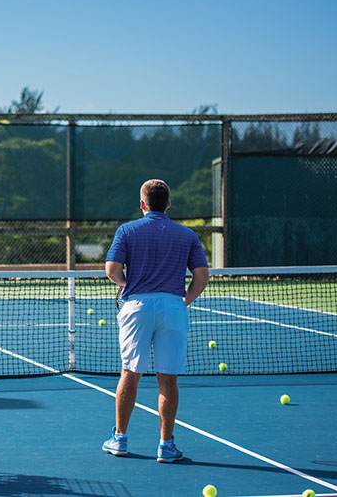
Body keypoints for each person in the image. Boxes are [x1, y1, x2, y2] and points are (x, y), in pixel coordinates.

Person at [102, 179, 209, 463]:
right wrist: (184, 300)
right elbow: (202, 277)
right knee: (168, 378)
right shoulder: (187, 235)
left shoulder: (127, 230)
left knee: (130, 373)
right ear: (169, 204)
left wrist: (126, 283)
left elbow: (111, 269)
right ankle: (166, 445)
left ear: (142, 204)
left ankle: (120, 439)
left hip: (137, 305)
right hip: (173, 307)